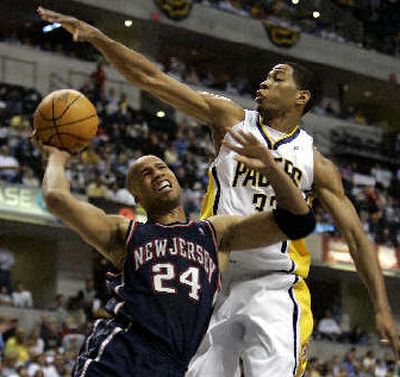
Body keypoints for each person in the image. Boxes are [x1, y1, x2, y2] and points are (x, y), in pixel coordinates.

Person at [37, 7, 400, 375]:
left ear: (301, 97)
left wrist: (382, 308)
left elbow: (355, 236)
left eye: (276, 78)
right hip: (211, 280)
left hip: (274, 284)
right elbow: (152, 79)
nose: (265, 83)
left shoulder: (315, 163)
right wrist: (99, 38)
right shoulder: (229, 119)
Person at [38, 129, 315, 376]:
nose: (157, 173)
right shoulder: (125, 233)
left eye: (161, 167)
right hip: (120, 356)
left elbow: (298, 220)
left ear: (175, 177)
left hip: (173, 365)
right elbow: (57, 199)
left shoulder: (216, 234)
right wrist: (58, 155)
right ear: (137, 198)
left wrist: (271, 166)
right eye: (145, 174)